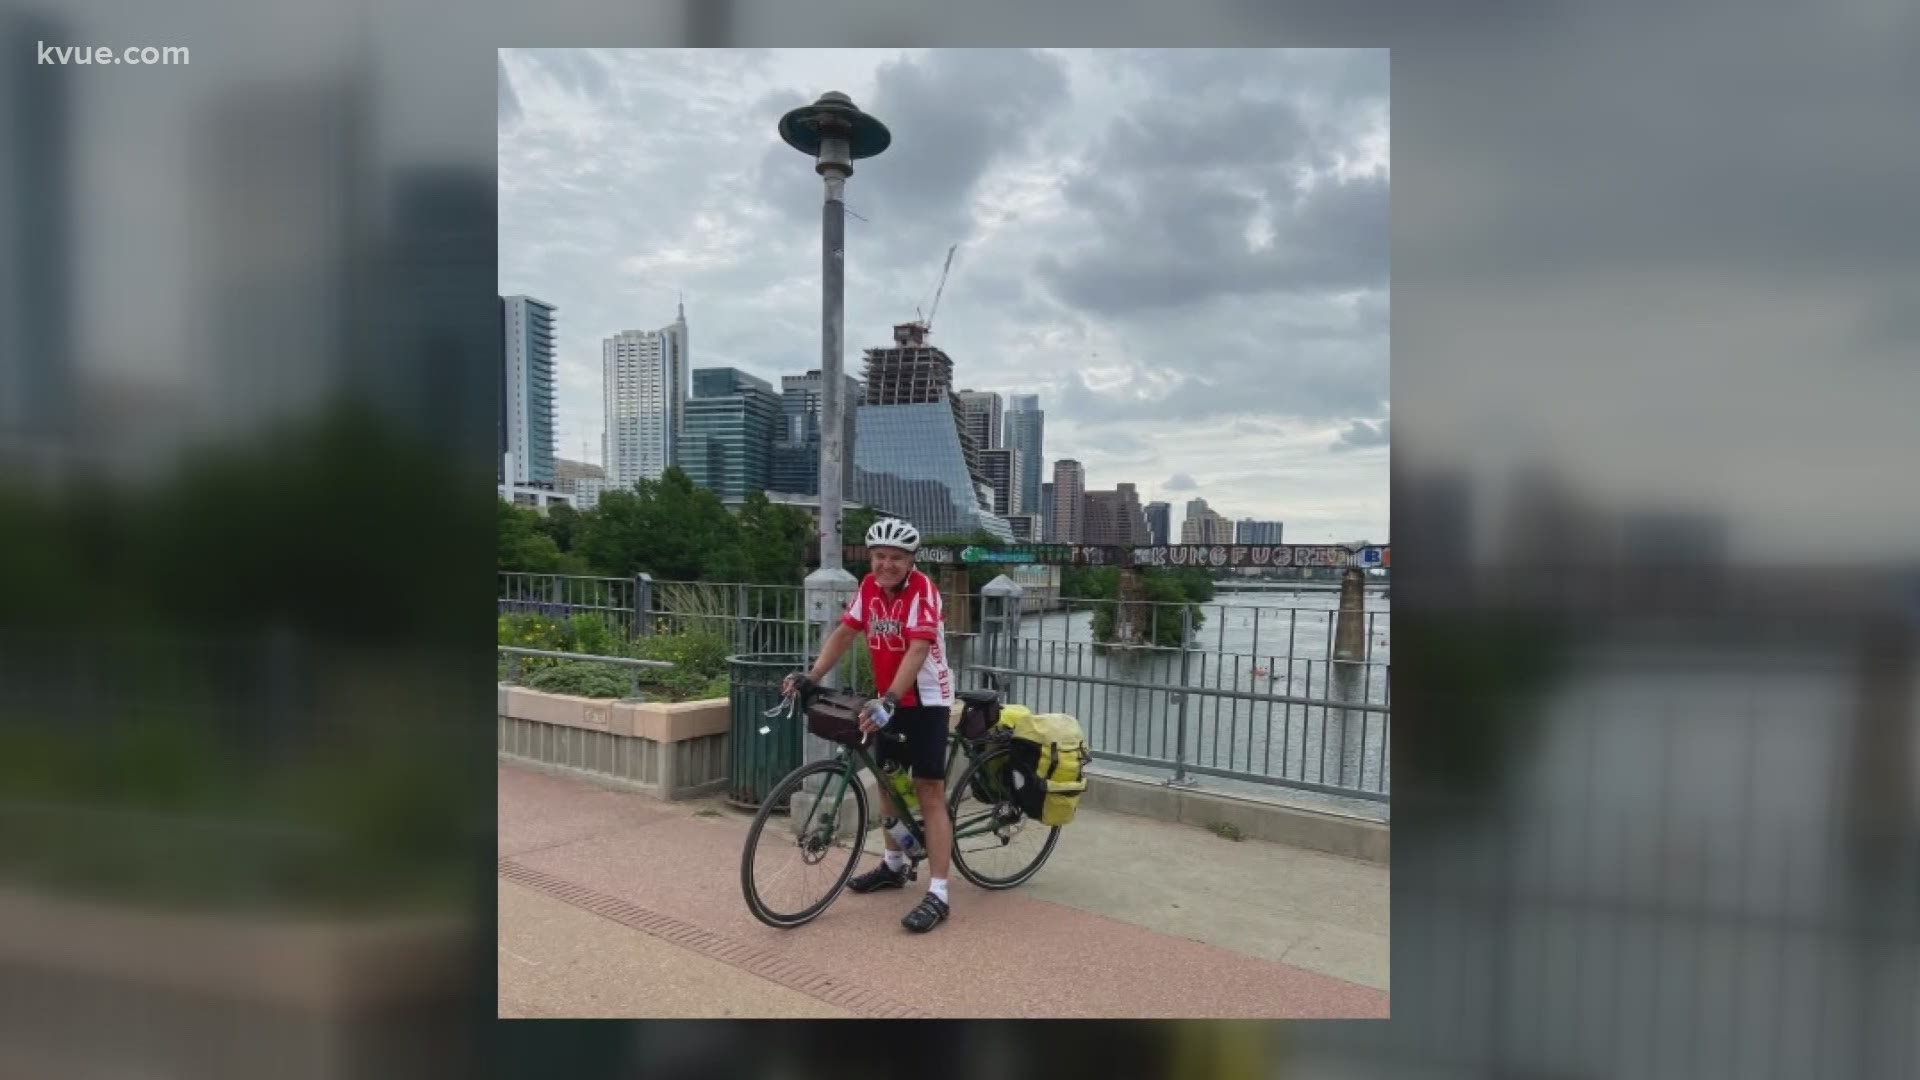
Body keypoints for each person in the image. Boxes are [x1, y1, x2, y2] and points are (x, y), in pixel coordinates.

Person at [782, 517, 955, 933]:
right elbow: (845, 632)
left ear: (911, 560)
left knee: (928, 788)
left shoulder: (923, 592)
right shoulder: (869, 588)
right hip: (889, 698)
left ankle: (940, 892)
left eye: (896, 558)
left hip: (926, 700)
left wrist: (890, 700)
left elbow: (917, 650)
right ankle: (894, 865)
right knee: (888, 780)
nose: (886, 565)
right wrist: (814, 675)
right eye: (879, 556)